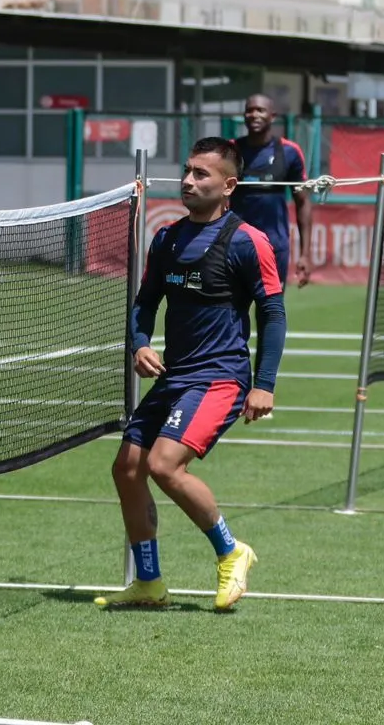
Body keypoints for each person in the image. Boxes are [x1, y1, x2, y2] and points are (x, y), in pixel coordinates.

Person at [95, 137, 286, 611]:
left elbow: (274, 315)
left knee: (163, 465)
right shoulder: (167, 238)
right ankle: (150, 582)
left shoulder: (247, 241)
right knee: (127, 469)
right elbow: (144, 304)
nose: (188, 180)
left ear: (229, 186)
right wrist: (140, 344)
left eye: (202, 174)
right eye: (187, 171)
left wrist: (264, 384)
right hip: (175, 375)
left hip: (220, 376)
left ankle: (231, 551)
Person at [229, 93, 314, 288]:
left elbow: (303, 203)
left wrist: (305, 255)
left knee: (270, 312)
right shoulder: (230, 151)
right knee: (230, 312)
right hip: (234, 245)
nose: (254, 115)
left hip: (274, 247)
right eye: (249, 110)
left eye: (260, 110)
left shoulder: (290, 152)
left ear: (272, 116)